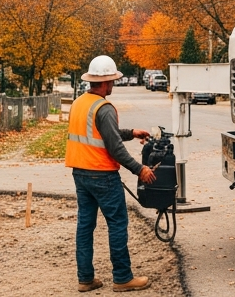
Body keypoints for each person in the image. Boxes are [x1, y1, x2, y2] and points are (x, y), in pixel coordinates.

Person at [66, 55, 156, 292]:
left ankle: (85, 279)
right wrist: (140, 169)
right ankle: (123, 278)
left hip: (80, 173)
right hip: (103, 175)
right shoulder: (104, 108)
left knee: (85, 225)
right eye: (112, 81)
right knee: (117, 224)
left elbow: (103, 134)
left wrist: (131, 132)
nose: (113, 84)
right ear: (105, 83)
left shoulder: (80, 103)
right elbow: (114, 147)